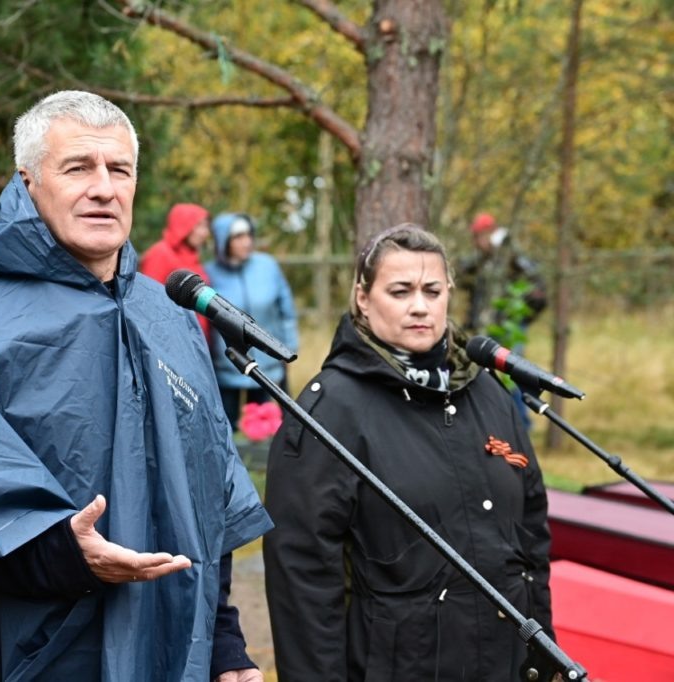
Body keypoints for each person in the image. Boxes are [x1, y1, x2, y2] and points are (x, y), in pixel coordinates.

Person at [0, 91, 271, 682]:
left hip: (169, 644)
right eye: (78, 167)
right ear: (28, 183)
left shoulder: (172, 321)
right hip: (30, 650)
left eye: (119, 169)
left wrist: (224, 642)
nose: (104, 188)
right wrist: (62, 553)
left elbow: (207, 495)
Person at [263, 224, 553, 681]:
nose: (420, 306)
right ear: (363, 298)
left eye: (432, 291)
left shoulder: (487, 393)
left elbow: (532, 540)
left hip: (506, 664)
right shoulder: (330, 411)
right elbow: (302, 577)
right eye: (400, 291)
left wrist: (546, 656)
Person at [205, 212, 298, 428]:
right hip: (227, 366)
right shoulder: (210, 273)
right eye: (238, 237)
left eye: (248, 235)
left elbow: (286, 310)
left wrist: (289, 347)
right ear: (223, 241)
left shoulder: (268, 266)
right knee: (226, 428)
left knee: (266, 428)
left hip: (267, 364)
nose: (246, 241)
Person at [457, 212, 547, 430]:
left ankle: (521, 424)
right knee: (483, 376)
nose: (477, 242)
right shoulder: (481, 262)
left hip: (509, 327)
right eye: (475, 238)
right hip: (485, 326)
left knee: (514, 372)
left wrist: (520, 317)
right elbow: (462, 276)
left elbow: (538, 289)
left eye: (480, 236)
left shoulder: (511, 256)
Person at [140, 202, 212, 339]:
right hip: (174, 338)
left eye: (206, 226)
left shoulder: (192, 256)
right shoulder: (160, 253)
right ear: (183, 225)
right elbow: (150, 303)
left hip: (197, 339)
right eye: (199, 226)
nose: (205, 232)